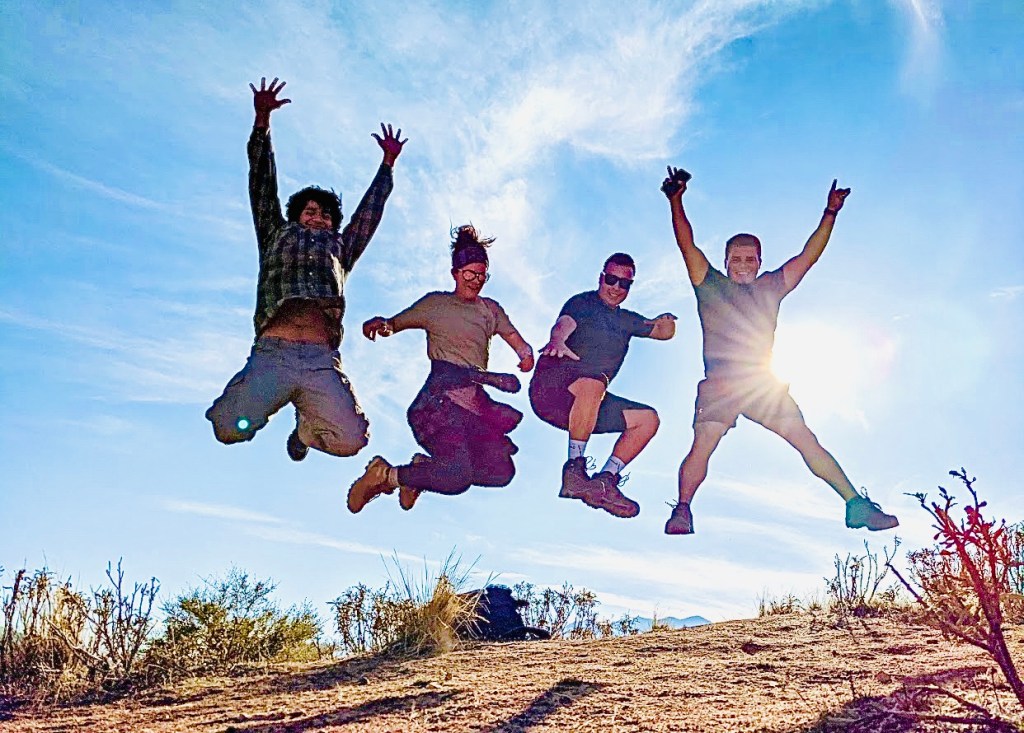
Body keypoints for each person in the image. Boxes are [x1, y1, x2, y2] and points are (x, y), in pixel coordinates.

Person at [661, 166, 899, 535]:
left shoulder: (771, 286)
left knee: (804, 438)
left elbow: (809, 256)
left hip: (760, 382)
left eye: (750, 259)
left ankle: (855, 505)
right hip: (722, 382)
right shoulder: (708, 284)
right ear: (726, 262)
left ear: (759, 261)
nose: (742, 266)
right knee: (704, 441)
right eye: (736, 259)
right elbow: (687, 245)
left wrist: (830, 213)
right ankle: (682, 510)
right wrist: (676, 201)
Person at [206, 77, 406, 461]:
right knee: (227, 428)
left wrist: (387, 165)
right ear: (295, 215)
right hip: (273, 355)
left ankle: (307, 428)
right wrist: (261, 121)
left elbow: (368, 215)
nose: (317, 218)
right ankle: (272, 397)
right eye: (309, 212)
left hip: (319, 360)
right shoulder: (276, 233)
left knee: (351, 441)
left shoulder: (340, 247)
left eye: (324, 214)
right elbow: (261, 185)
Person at [347, 225, 535, 513]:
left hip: (471, 412)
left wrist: (525, 353)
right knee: (456, 478)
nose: (476, 281)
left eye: (481, 275)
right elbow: (395, 324)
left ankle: (422, 473)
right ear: (455, 273)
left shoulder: (490, 310)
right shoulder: (436, 304)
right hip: (436, 408)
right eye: (469, 274)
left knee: (501, 472)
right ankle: (384, 475)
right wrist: (381, 325)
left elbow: (512, 336)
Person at [529, 254, 677, 518]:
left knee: (647, 420)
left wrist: (667, 324)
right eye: (612, 280)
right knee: (594, 384)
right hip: (551, 392)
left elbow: (660, 332)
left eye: (625, 284)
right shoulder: (583, 303)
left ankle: (604, 482)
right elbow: (565, 323)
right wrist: (557, 339)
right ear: (601, 278)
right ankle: (574, 469)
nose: (617, 288)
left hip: (588, 406)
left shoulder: (627, 320)